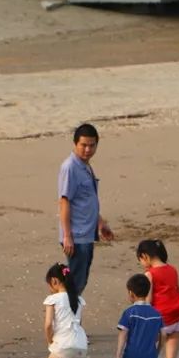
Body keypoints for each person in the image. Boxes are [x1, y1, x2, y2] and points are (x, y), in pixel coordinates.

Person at [58, 123, 115, 294]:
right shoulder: (70, 168)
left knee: (80, 282)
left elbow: (86, 200)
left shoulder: (85, 166)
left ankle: (72, 319)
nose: (87, 149)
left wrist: (100, 223)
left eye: (91, 145)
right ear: (75, 144)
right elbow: (64, 202)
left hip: (87, 233)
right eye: (83, 145)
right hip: (77, 236)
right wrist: (67, 236)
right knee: (75, 284)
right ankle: (68, 320)